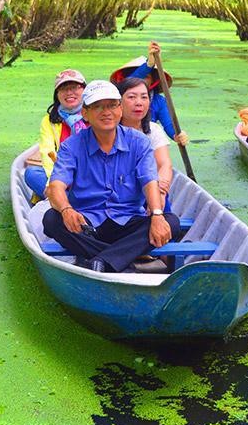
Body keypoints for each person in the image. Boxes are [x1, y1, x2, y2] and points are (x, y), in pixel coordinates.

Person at [42, 80, 179, 273]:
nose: (106, 112)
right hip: (87, 225)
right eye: (98, 106)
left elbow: (149, 181)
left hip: (128, 221)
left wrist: (157, 214)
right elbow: (56, 185)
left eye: (112, 105)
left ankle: (102, 261)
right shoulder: (71, 146)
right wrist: (66, 210)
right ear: (85, 113)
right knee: (51, 219)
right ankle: (123, 256)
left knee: (171, 221)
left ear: (120, 109)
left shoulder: (139, 142)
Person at [117, 76, 181, 273]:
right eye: (132, 97)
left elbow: (164, 164)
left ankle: (165, 258)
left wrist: (160, 193)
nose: (139, 103)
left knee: (164, 208)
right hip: (117, 189)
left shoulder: (153, 130)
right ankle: (139, 249)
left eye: (144, 97)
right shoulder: (109, 129)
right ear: (119, 101)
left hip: (147, 188)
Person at [110, 41, 191, 146]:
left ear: (153, 80)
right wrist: (149, 65)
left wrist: (177, 135)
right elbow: (131, 81)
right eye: (140, 75)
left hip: (145, 143)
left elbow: (168, 124)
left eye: (146, 77)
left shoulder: (159, 101)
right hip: (118, 141)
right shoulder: (119, 95)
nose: (141, 81)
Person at [24, 69, 89, 199]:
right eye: (63, 88)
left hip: (90, 175)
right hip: (61, 174)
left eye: (74, 87)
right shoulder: (49, 121)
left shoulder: (95, 113)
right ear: (57, 95)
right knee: (32, 173)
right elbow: (47, 153)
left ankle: (62, 200)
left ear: (85, 90)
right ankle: (63, 199)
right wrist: (54, 182)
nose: (69, 92)